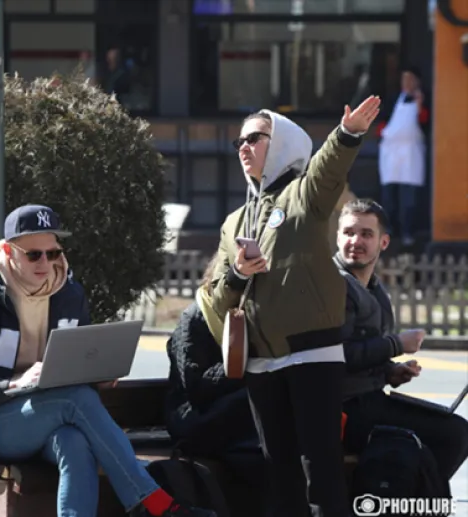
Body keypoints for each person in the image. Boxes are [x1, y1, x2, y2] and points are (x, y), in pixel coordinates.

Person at [0, 204, 216, 517]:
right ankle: (153, 505)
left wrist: (96, 374)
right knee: (75, 399)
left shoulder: (69, 295)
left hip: (53, 414)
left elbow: (76, 363)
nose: (46, 263)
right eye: (34, 255)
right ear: (6, 251)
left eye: (53, 253)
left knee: (73, 443)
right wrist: (15, 384)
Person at [207, 95, 381, 517]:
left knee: (320, 469)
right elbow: (217, 295)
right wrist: (238, 274)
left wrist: (347, 134)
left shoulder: (304, 195)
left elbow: (328, 170)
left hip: (312, 355)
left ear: (282, 143)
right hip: (261, 363)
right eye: (239, 142)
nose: (244, 147)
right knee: (278, 472)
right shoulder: (234, 222)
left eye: (254, 138)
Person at [335, 198, 468, 484]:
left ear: (383, 242)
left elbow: (363, 352)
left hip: (370, 399)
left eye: (366, 234)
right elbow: (336, 355)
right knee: (453, 434)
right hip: (343, 408)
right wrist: (396, 345)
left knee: (452, 431)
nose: (355, 241)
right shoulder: (335, 285)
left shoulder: (374, 288)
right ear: (337, 237)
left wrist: (390, 371)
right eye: (348, 233)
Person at [164, 254, 266, 516]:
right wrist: (244, 362)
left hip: (235, 419)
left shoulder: (249, 317)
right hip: (195, 417)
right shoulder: (196, 317)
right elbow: (196, 386)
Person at [376, 67, 430, 246]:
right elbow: (382, 121)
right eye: (404, 79)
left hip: (411, 154)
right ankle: (389, 231)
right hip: (391, 153)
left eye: (410, 79)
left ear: (417, 82)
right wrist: (384, 132)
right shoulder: (393, 100)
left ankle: (408, 232)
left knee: (409, 199)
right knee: (388, 197)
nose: (407, 83)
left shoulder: (425, 100)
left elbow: (426, 123)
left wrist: (420, 105)